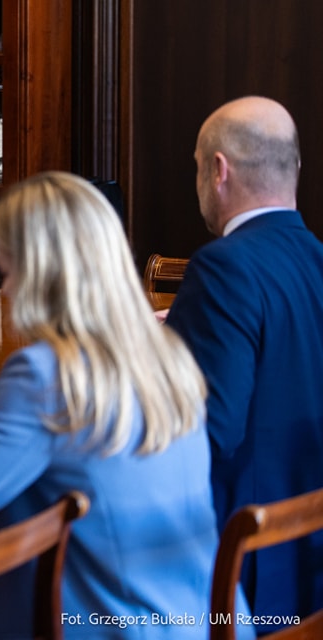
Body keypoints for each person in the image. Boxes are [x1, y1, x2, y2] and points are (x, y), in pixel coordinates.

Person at [0, 172, 253, 639]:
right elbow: (82, 450)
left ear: (44, 274)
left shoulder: (46, 371)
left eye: (10, 271)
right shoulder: (163, 353)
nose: (8, 291)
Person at [165, 96, 323, 632]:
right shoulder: (317, 258)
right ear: (293, 168)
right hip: (311, 549)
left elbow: (207, 431)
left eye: (195, 167)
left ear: (218, 170)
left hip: (248, 563)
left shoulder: (223, 267)